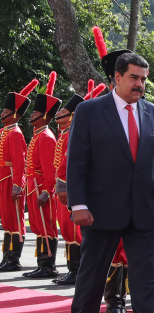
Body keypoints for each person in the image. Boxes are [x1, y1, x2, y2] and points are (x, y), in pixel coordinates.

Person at [67, 51, 154, 313]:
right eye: (133, 78)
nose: (140, 84)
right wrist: (79, 204)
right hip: (100, 210)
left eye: (143, 79)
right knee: (92, 275)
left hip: (143, 210)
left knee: (146, 278)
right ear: (116, 77)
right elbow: (77, 162)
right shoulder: (89, 111)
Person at [52, 83, 99, 285]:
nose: (58, 114)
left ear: (71, 116)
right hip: (63, 186)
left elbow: (70, 162)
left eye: (62, 112)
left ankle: (77, 270)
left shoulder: (72, 133)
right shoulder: (64, 133)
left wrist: (63, 184)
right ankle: (73, 269)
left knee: (73, 230)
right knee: (66, 228)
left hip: (70, 187)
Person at [22, 72, 61, 279]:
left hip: (41, 187)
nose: (31, 116)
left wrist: (47, 190)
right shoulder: (37, 135)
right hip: (33, 185)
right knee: (38, 226)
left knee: (47, 226)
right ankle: (41, 264)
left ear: (44, 116)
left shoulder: (46, 137)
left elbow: (49, 169)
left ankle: (48, 265)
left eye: (35, 113)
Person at [0, 80, 35, 272]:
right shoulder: (3, 132)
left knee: (14, 219)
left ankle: (13, 259)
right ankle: (6, 256)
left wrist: (17, 185)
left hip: (11, 179)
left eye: (6, 111)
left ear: (14, 114)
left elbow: (19, 162)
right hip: (3, 179)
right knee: (6, 220)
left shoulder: (15, 133)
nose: (2, 113)